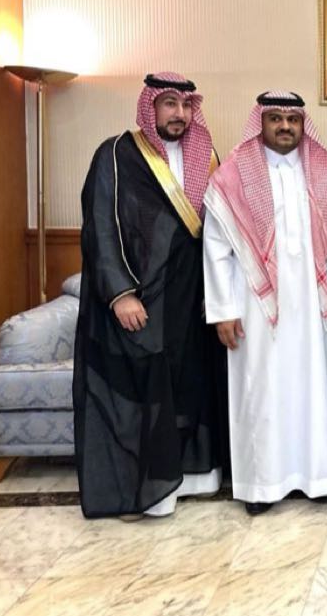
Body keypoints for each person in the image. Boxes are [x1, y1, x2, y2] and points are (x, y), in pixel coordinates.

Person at [73, 72, 225, 519]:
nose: (180, 114)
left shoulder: (207, 156)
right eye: (169, 104)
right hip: (142, 300)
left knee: (191, 385)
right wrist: (120, 293)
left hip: (192, 300)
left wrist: (218, 295)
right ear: (150, 106)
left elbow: (218, 232)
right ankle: (151, 490)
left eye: (186, 105)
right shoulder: (116, 154)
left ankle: (195, 477)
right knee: (148, 392)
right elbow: (101, 227)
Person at [202, 91, 327, 514]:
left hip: (311, 306)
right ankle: (261, 485)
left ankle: (316, 478)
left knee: (312, 388)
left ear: (303, 124)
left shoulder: (324, 172)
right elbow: (215, 248)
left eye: (292, 119)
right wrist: (223, 310)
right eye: (275, 118)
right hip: (254, 309)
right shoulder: (232, 176)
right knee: (260, 391)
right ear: (261, 122)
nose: (285, 126)